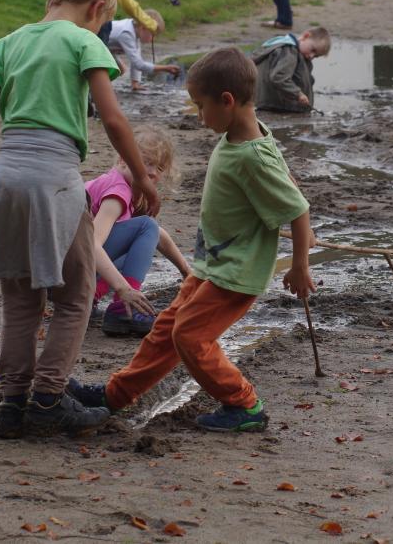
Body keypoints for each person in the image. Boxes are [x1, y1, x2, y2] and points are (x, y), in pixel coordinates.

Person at [67, 47, 315, 433]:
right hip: (212, 266)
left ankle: (244, 404)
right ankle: (114, 395)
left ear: (228, 101)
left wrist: (299, 265)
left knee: (190, 336)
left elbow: (298, 208)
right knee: (167, 331)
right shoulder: (246, 134)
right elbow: (289, 183)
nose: (200, 118)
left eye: (201, 107)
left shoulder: (252, 155)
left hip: (236, 273)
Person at [0, 0, 162, 440]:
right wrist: (140, 176)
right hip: (55, 177)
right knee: (75, 295)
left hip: (8, 173)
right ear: (97, 8)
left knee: (19, 301)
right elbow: (113, 119)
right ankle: (50, 399)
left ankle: (12, 406)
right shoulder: (84, 42)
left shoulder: (9, 42)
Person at [86, 126, 192, 336]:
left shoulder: (129, 190)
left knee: (141, 240)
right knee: (146, 227)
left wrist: (187, 272)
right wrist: (124, 290)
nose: (152, 172)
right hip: (61, 270)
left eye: (160, 168)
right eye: (147, 162)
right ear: (123, 159)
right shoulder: (117, 192)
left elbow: (158, 236)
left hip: (68, 269)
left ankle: (88, 299)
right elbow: (92, 244)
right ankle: (124, 310)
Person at [252, 27, 331, 112]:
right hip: (274, 106)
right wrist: (298, 93)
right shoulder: (289, 52)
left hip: (266, 104)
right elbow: (279, 77)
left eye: (316, 56)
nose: (311, 56)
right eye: (313, 50)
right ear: (305, 36)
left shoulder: (283, 46)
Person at [106, 8, 181, 91]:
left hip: (106, 49)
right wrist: (165, 68)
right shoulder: (126, 33)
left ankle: (104, 84)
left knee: (121, 69)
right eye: (152, 35)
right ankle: (100, 86)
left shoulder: (135, 31)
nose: (153, 39)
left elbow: (136, 60)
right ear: (143, 28)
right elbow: (139, 64)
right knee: (117, 69)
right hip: (96, 46)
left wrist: (135, 83)